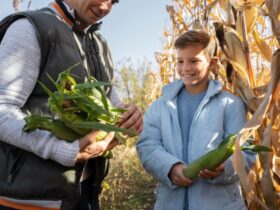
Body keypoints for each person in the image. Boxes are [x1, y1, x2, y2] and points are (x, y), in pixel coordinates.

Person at [0, 0, 142, 209]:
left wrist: (128, 117)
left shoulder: (99, 45)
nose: (105, 7)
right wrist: (61, 149)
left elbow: (112, 105)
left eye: (113, 1)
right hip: (28, 200)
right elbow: (2, 110)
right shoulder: (32, 28)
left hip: (84, 194)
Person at [136, 30, 256, 210]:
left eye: (194, 61)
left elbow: (246, 152)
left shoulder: (230, 105)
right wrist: (170, 168)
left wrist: (224, 167)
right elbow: (147, 145)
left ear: (212, 63)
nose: (185, 68)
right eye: (180, 61)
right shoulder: (160, 106)